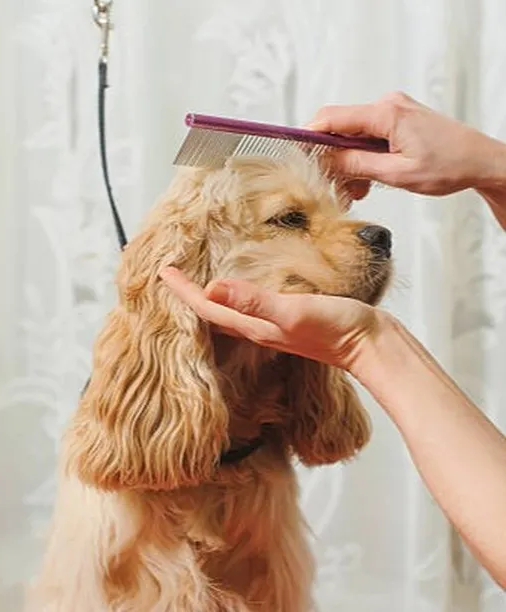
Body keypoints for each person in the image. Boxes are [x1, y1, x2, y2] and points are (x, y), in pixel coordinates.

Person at [159, 92, 506, 589]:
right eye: (291, 219)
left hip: (262, 474)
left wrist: (366, 342)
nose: (368, 235)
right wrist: (494, 167)